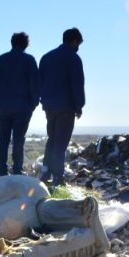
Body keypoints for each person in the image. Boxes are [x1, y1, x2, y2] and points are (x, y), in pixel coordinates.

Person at [38, 27, 85, 187]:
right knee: (61, 142)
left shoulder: (46, 57)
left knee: (51, 139)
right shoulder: (73, 58)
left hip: (49, 106)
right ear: (74, 41)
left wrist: (43, 101)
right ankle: (58, 176)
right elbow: (77, 84)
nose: (78, 47)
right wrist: (79, 105)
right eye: (78, 43)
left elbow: (40, 82)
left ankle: (46, 171)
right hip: (66, 107)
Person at [0, 32, 40, 176]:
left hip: (4, 106)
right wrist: (33, 104)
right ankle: (17, 170)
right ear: (26, 44)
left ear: (12, 42)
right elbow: (34, 85)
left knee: (3, 139)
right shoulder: (29, 60)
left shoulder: (1, 59)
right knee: (19, 139)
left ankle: (2, 170)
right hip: (23, 107)